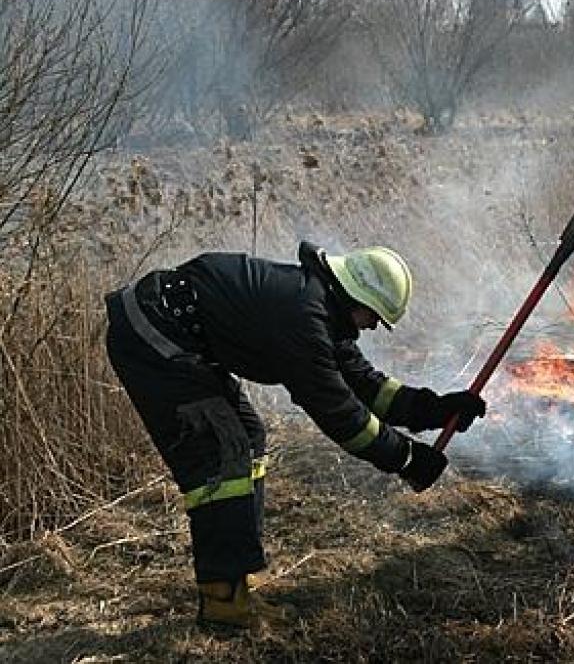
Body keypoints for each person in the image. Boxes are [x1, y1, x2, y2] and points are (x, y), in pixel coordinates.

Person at [104, 241, 486, 628]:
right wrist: (406, 458)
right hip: (151, 334)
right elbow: (341, 415)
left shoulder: (320, 309)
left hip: (177, 335)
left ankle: (238, 578)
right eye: (373, 316)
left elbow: (367, 387)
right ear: (355, 296)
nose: (370, 326)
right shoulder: (303, 319)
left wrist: (435, 409)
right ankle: (223, 600)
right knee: (222, 454)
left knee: (247, 439)